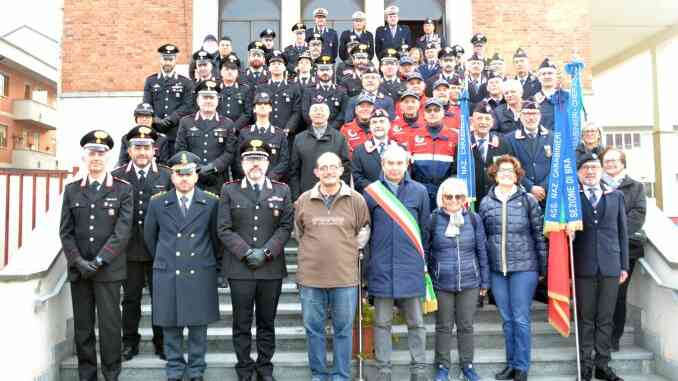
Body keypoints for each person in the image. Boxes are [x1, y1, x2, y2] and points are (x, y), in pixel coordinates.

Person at [59, 130, 133, 381]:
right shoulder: (71, 190)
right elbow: (66, 232)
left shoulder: (123, 190)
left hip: (109, 270)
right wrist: (78, 261)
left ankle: (111, 374)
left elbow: (122, 233)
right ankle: (87, 375)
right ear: (84, 156)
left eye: (101, 153)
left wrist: (100, 260)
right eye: (91, 153)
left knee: (111, 326)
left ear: (108, 157)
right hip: (80, 271)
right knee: (83, 328)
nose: (96, 158)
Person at [218, 139, 294, 381]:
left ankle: (264, 368)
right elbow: (224, 228)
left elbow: (285, 226)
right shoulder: (229, 189)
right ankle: (244, 368)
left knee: (266, 323)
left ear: (267, 162)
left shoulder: (282, 190)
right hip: (240, 269)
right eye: (250, 159)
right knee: (241, 323)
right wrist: (246, 252)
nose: (255, 164)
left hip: (270, 269)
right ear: (242, 163)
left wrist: (267, 252)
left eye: (259, 159)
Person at [143, 151, 220, 381]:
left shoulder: (211, 202)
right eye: (179, 174)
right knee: (170, 324)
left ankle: (196, 368)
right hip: (168, 270)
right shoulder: (158, 203)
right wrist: (165, 260)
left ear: (196, 175)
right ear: (172, 176)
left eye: (189, 173)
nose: (184, 178)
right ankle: (175, 368)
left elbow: (216, 239)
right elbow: (150, 238)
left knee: (198, 325)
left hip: (200, 269)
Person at [294, 152, 371, 381]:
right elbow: (299, 233)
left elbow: (364, 230)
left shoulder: (356, 199)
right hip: (311, 279)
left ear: (341, 170)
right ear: (316, 172)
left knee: (343, 330)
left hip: (345, 277)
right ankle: (318, 374)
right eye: (323, 168)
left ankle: (340, 375)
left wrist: (343, 250)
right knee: (313, 330)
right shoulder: (304, 200)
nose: (328, 171)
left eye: (333, 167)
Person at [362, 144, 430, 381]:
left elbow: (424, 232)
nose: (394, 167)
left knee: (416, 323)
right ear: (382, 164)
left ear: (407, 164)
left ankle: (419, 370)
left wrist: (425, 265)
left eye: (399, 163)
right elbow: (366, 233)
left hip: (411, 268)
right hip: (381, 267)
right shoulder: (370, 193)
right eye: (390, 163)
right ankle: (384, 370)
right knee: (381, 323)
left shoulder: (420, 192)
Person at [478, 155, 547, 381]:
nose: (506, 174)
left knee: (520, 318)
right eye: (502, 170)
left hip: (524, 267)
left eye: (510, 170)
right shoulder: (486, 202)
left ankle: (522, 366)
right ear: (494, 175)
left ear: (517, 175)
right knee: (507, 319)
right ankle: (510, 364)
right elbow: (483, 238)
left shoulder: (528, 200)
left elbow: (538, 235)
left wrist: (543, 267)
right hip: (498, 269)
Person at [112, 126, 172, 362]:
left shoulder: (167, 176)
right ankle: (129, 342)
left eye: (147, 147)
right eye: (137, 147)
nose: (142, 152)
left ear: (154, 150)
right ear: (129, 150)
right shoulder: (118, 176)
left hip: (160, 250)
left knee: (161, 299)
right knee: (130, 299)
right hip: (129, 250)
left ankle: (162, 342)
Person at [572, 152, 629, 381]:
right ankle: (585, 364)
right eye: (585, 168)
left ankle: (602, 364)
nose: (590, 172)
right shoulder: (573, 198)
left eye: (594, 167)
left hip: (610, 266)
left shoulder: (615, 196)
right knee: (586, 318)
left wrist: (624, 265)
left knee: (606, 317)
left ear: (601, 170)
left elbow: (623, 233)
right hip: (583, 266)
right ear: (578, 173)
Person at [428, 178, 489, 381]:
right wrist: (427, 278)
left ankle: (467, 365)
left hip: (470, 281)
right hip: (441, 282)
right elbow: (426, 251)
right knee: (443, 326)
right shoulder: (434, 219)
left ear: (465, 199)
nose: (453, 200)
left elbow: (481, 249)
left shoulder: (474, 219)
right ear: (442, 198)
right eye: (449, 196)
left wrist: (485, 281)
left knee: (466, 325)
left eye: (458, 196)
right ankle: (442, 366)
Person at [600, 147, 647, 352]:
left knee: (618, 295)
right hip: (600, 249)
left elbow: (638, 214)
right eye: (607, 161)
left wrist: (614, 232)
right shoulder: (594, 184)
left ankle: (613, 339)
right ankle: (598, 336)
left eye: (614, 160)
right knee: (600, 295)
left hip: (627, 248)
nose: (610, 164)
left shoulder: (636, 186)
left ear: (623, 163)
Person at [175, 80, 237, 194]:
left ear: (218, 100)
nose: (208, 101)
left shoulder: (227, 123)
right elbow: (180, 149)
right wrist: (197, 168)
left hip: (218, 178)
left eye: (212, 98)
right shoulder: (186, 122)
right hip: (192, 177)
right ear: (198, 100)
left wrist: (213, 167)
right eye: (205, 97)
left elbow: (230, 152)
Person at [290, 102, 351, 199]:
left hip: (334, 196)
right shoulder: (299, 139)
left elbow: (346, 168)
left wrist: (338, 192)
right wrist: (297, 197)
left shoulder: (339, 138)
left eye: (322, 110)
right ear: (309, 115)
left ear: (328, 114)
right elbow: (294, 171)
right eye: (315, 110)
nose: (318, 113)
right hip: (306, 196)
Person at [143, 43, 194, 158]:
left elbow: (188, 106)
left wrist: (171, 119)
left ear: (175, 61)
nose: (167, 63)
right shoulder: (151, 81)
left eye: (170, 59)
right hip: (155, 131)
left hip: (175, 133)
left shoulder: (185, 82)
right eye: (165, 59)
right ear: (160, 60)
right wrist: (155, 119)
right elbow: (146, 105)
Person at [406, 97, 458, 207]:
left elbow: (457, 168)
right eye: (429, 110)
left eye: (436, 110)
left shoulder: (454, 136)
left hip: (445, 191)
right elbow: (408, 167)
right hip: (419, 191)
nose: (432, 113)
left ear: (443, 113)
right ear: (424, 114)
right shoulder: (414, 136)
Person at [504, 101, 553, 205]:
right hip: (521, 196)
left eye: (534, 114)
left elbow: (557, 166)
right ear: (520, 116)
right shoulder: (509, 139)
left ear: (540, 116)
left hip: (548, 195)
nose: (531, 118)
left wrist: (544, 187)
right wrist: (530, 187)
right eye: (527, 114)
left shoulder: (553, 138)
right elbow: (510, 167)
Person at [466, 101, 513, 209]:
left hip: (497, 202)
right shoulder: (464, 144)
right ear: (472, 122)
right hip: (471, 202)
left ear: (492, 123)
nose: (483, 122)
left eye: (487, 119)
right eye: (479, 118)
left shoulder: (502, 144)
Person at [235, 93, 290, 182]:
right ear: (254, 109)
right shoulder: (244, 133)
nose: (262, 106)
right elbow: (238, 159)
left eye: (266, 104)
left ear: (271, 108)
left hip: (272, 182)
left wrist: (269, 178)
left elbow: (284, 161)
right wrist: (250, 176)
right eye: (259, 104)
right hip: (249, 181)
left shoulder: (280, 134)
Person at [351, 109, 401, 194]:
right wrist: (378, 192)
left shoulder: (400, 149)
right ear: (370, 127)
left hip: (396, 199)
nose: (378, 125)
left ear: (389, 125)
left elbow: (406, 175)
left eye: (382, 121)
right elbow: (357, 177)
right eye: (374, 122)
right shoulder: (359, 151)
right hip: (371, 199)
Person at [254, 50, 303, 136]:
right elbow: (255, 110)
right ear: (268, 68)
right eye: (273, 64)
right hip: (265, 133)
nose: (276, 66)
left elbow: (297, 111)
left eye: (279, 64)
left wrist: (288, 128)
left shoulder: (294, 87)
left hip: (287, 133)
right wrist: (263, 127)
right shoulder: (260, 88)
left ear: (284, 67)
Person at [301, 56, 348, 131]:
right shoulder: (308, 90)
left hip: (335, 131)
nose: (325, 72)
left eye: (328, 70)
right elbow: (305, 112)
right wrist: (317, 125)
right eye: (322, 70)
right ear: (317, 72)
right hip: (313, 130)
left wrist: (331, 128)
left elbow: (343, 113)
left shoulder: (341, 91)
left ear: (332, 71)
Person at [218, 54, 254, 130]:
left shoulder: (245, 89)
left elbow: (247, 113)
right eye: (226, 69)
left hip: (238, 130)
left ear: (238, 73)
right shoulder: (215, 89)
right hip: (218, 128)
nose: (230, 72)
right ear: (221, 72)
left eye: (233, 69)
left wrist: (234, 127)